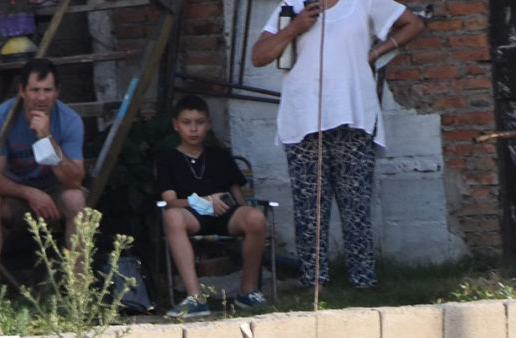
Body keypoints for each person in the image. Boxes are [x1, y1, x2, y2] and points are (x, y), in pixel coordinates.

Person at [251, 0, 423, 292]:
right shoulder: (292, 5)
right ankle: (315, 282)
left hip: (353, 116)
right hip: (304, 120)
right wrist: (294, 27)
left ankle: (363, 280)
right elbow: (259, 56)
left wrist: (377, 53)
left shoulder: (364, 2)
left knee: (356, 204)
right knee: (309, 208)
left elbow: (413, 23)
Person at [0, 60, 89, 304]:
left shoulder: (69, 120)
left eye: (47, 90)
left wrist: (47, 139)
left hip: (55, 193)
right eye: (35, 90)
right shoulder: (1, 117)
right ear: (22, 91)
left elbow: (74, 179)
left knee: (76, 199)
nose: (41, 97)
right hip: (16, 197)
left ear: (57, 92)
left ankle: (77, 295)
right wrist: (28, 193)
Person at [155, 95, 269, 313]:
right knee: (171, 216)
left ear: (208, 124)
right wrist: (202, 201)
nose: (194, 129)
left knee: (255, 217)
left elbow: (238, 197)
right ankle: (195, 298)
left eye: (199, 122)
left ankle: (248, 291)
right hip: (192, 214)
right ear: (176, 125)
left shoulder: (219, 155)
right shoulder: (168, 159)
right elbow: (170, 201)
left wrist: (250, 218)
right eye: (187, 123)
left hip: (224, 212)